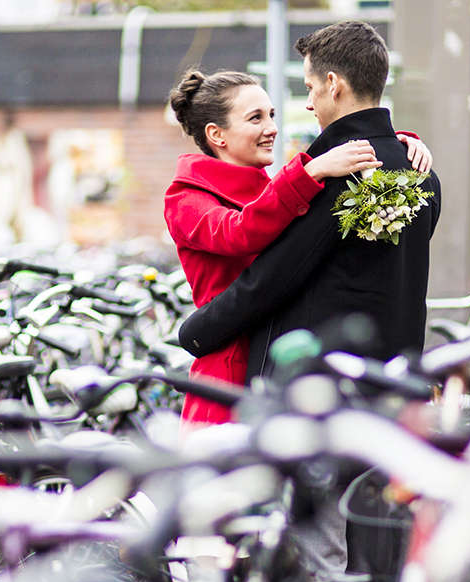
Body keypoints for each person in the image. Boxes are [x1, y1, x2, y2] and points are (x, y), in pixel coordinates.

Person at [177, 21, 442, 582]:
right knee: (378, 546)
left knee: (316, 550)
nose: (305, 105)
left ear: (333, 84)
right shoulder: (421, 173)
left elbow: (269, 279)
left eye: (309, 89)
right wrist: (406, 142)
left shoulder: (331, 175)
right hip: (393, 385)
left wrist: (196, 332)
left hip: (321, 390)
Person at [166, 66, 433, 425]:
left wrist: (397, 144)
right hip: (229, 368)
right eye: (256, 118)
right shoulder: (185, 198)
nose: (271, 128)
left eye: (272, 115)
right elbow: (239, 231)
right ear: (217, 135)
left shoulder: (271, 187)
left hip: (279, 361)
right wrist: (311, 171)